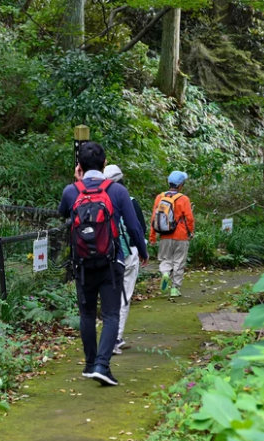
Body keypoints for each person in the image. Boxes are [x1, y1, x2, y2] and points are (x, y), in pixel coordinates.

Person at [58, 143, 149, 386]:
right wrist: (142, 250)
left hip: (82, 264)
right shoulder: (117, 191)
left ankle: (90, 365)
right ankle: (102, 365)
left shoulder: (71, 191)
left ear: (79, 165)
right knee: (110, 314)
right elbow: (133, 226)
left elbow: (62, 212)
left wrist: (76, 183)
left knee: (86, 314)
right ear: (104, 163)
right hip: (111, 262)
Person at [103, 164, 147, 355]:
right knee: (123, 296)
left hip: (101, 254)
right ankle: (114, 338)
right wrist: (143, 251)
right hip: (126, 254)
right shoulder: (129, 201)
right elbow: (138, 229)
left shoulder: (97, 200)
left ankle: (109, 337)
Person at [149, 171, 194, 298]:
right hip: (181, 236)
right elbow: (189, 218)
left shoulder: (160, 197)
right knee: (179, 262)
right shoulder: (184, 199)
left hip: (165, 236)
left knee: (165, 259)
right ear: (180, 185)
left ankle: (165, 273)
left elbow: (154, 218)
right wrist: (190, 232)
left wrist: (152, 237)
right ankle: (175, 289)